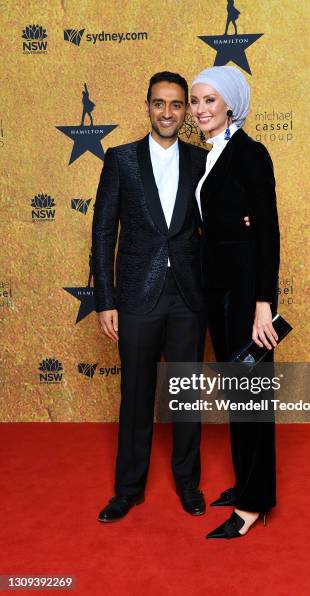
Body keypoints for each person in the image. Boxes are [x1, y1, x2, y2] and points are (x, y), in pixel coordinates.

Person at [92, 71, 208, 523]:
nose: (167, 112)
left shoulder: (202, 160)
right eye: (159, 103)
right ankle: (128, 489)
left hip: (187, 298)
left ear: (185, 112)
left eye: (176, 105)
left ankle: (187, 483)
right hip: (136, 297)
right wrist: (106, 299)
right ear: (147, 107)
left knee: (185, 396)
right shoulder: (120, 159)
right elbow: (104, 232)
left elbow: (214, 224)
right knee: (135, 396)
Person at [190, 65, 280, 539]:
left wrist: (264, 302)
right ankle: (247, 483)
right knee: (237, 393)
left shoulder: (250, 154)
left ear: (230, 105)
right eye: (196, 101)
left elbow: (267, 231)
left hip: (246, 294)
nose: (200, 109)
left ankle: (254, 502)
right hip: (218, 291)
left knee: (252, 396)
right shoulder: (209, 157)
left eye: (210, 100)